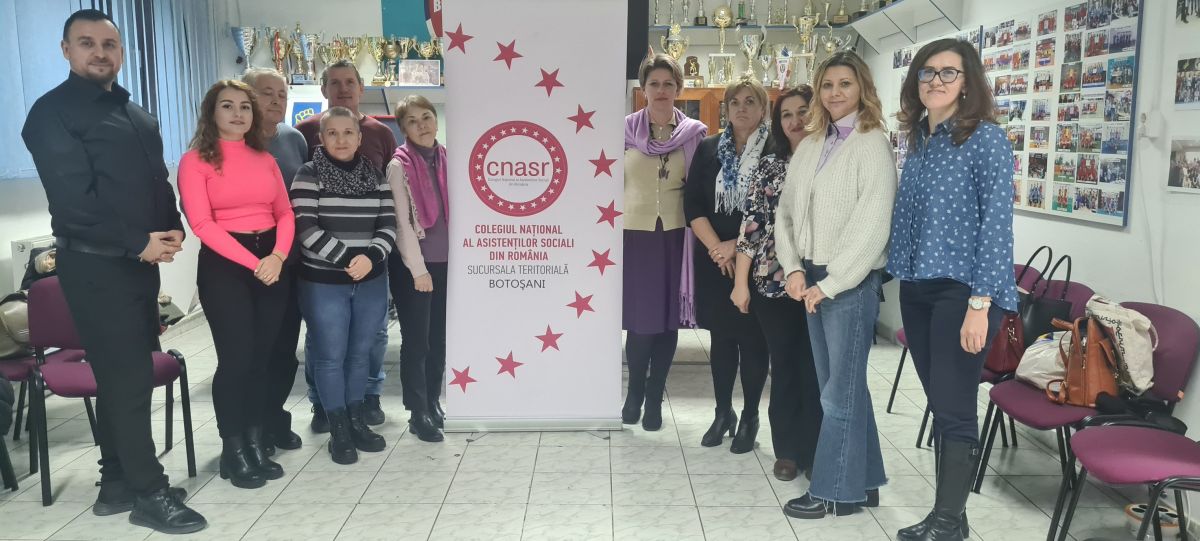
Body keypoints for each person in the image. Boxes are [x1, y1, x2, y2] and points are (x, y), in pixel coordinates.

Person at [21, 9, 206, 534]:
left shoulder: (135, 113)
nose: (100, 53)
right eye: (87, 43)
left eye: (109, 44)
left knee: (124, 378)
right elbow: (73, 201)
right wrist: (137, 242)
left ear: (122, 51)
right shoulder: (51, 113)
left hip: (136, 267)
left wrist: (171, 228)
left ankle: (117, 484)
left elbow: (156, 181)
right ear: (66, 50)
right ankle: (150, 493)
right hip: (95, 266)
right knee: (127, 380)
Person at [889, 38, 1017, 541]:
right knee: (942, 404)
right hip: (917, 288)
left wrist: (980, 305)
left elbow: (996, 227)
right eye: (927, 72)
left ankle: (946, 523)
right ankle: (953, 517)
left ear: (967, 83)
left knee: (955, 407)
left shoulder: (985, 139)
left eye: (948, 72)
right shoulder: (919, 140)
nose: (936, 81)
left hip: (962, 293)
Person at [775, 51, 895, 519]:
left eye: (845, 83)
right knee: (841, 387)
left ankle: (831, 492)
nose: (835, 93)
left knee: (837, 394)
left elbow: (873, 225)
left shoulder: (872, 143)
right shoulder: (812, 142)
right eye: (827, 85)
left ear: (862, 87)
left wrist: (833, 282)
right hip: (810, 275)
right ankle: (864, 483)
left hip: (849, 283)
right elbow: (785, 213)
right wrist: (793, 268)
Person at [178, 79, 294, 489]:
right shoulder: (195, 161)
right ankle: (233, 448)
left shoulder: (264, 158)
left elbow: (285, 213)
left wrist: (277, 257)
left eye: (245, 106)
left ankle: (254, 440)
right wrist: (254, 263)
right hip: (226, 264)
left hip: (271, 260)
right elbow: (201, 223)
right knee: (237, 360)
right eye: (227, 106)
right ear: (212, 113)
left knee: (263, 358)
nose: (238, 113)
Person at [295, 60, 397, 431]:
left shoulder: (375, 172)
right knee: (328, 353)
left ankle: (357, 419)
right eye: (333, 134)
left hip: (370, 276)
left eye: (348, 133)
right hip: (325, 278)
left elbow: (388, 222)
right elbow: (305, 225)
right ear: (321, 138)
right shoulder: (308, 172)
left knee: (361, 352)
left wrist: (370, 257)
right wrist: (348, 259)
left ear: (359, 137)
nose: (341, 139)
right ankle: (333, 421)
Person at [730, 85, 822, 480]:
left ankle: (815, 450)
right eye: (786, 114)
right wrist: (740, 282)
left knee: (814, 369)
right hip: (773, 282)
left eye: (803, 111)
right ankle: (787, 450)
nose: (795, 121)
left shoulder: (833, 159)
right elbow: (750, 226)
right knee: (784, 366)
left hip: (822, 283)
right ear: (778, 122)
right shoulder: (769, 166)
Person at [685, 78, 771, 453]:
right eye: (735, 102)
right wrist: (717, 250)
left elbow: (775, 210)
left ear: (763, 108)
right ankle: (723, 413)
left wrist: (735, 247)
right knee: (721, 340)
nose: (742, 108)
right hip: (714, 262)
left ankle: (750, 416)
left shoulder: (775, 149)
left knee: (753, 340)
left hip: (759, 260)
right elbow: (692, 205)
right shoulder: (708, 149)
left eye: (750, 101)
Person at [622, 54, 707, 431]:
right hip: (634, 236)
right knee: (642, 323)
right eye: (653, 84)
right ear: (643, 89)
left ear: (678, 89)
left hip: (677, 237)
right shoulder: (622, 131)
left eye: (668, 84)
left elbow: (701, 189)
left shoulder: (694, 134)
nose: (660, 91)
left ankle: (655, 397)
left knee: (668, 322)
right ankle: (634, 393)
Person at [242, 68, 308, 453]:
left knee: (284, 351)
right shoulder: (228, 142)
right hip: (244, 265)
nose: (276, 100)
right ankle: (251, 429)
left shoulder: (293, 139)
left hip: (290, 262)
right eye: (267, 92)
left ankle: (274, 419)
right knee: (253, 353)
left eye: (282, 94)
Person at [385, 95, 448, 442]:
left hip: (446, 264)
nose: (422, 125)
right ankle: (417, 411)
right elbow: (402, 224)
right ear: (403, 128)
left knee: (438, 338)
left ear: (436, 120)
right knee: (417, 342)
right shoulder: (399, 166)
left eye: (426, 117)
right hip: (415, 268)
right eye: (412, 121)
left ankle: (433, 401)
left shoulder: (447, 159)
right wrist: (418, 270)